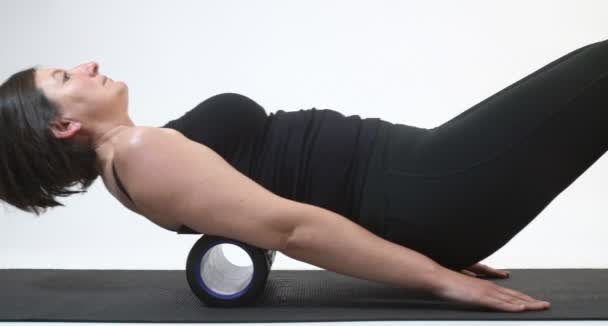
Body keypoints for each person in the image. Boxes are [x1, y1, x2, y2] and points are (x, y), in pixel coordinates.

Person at [4, 38, 606, 312]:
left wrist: (430, 250)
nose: (86, 65)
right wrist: (439, 278)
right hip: (430, 188)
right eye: (64, 78)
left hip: (426, 180)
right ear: (61, 128)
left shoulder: (137, 158)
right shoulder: (139, 152)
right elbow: (289, 229)